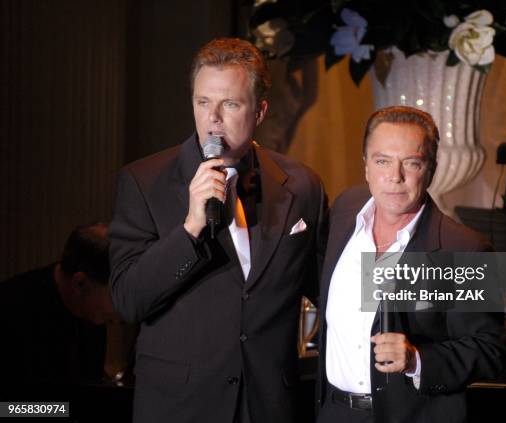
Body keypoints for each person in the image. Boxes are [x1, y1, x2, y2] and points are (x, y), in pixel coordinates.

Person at [109, 38, 327, 423]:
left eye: (230, 104)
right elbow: (128, 300)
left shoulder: (301, 185)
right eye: (203, 102)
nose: (213, 118)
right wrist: (190, 228)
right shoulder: (144, 182)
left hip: (269, 405)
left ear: (259, 111)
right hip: (181, 407)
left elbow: (328, 287)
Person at [315, 106, 504, 423]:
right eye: (382, 161)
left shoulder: (464, 249)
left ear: (431, 169)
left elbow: (488, 350)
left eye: (411, 163)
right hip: (335, 412)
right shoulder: (345, 212)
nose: (395, 177)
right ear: (366, 166)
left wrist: (418, 359)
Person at [0, 223, 114, 392]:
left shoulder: (90, 310)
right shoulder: (10, 311)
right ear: (80, 284)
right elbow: (9, 410)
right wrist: (64, 410)